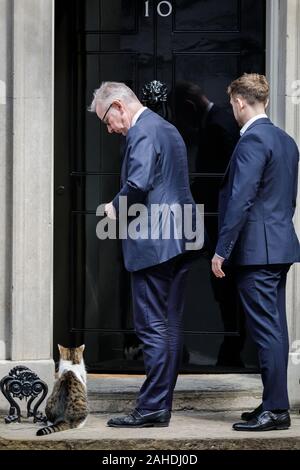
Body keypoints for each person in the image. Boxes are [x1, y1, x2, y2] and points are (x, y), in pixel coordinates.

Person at [89, 82, 203, 428]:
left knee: (153, 327)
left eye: (107, 120)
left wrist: (113, 208)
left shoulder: (142, 132)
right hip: (181, 238)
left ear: (120, 106)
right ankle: (157, 405)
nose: (109, 129)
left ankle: (153, 406)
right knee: (168, 327)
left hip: (155, 244)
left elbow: (137, 185)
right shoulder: (165, 128)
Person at [212, 73, 300, 431]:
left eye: (232, 103)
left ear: (239, 102)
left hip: (256, 251)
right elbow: (286, 199)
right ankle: (273, 401)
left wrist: (222, 250)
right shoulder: (286, 140)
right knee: (275, 328)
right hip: (278, 246)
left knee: (267, 331)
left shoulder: (251, 141)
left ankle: (277, 410)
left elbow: (240, 199)